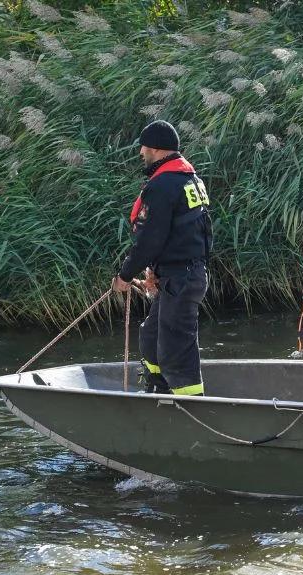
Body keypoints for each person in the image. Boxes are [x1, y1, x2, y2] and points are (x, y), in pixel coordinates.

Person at [112, 120, 212, 396]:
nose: (141, 152)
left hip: (182, 276)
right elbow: (189, 233)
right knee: (151, 336)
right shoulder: (189, 180)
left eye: (143, 147)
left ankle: (192, 406)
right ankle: (159, 391)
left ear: (155, 148)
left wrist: (125, 275)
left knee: (175, 348)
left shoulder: (164, 185)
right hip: (181, 274)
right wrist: (156, 271)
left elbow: (150, 239)